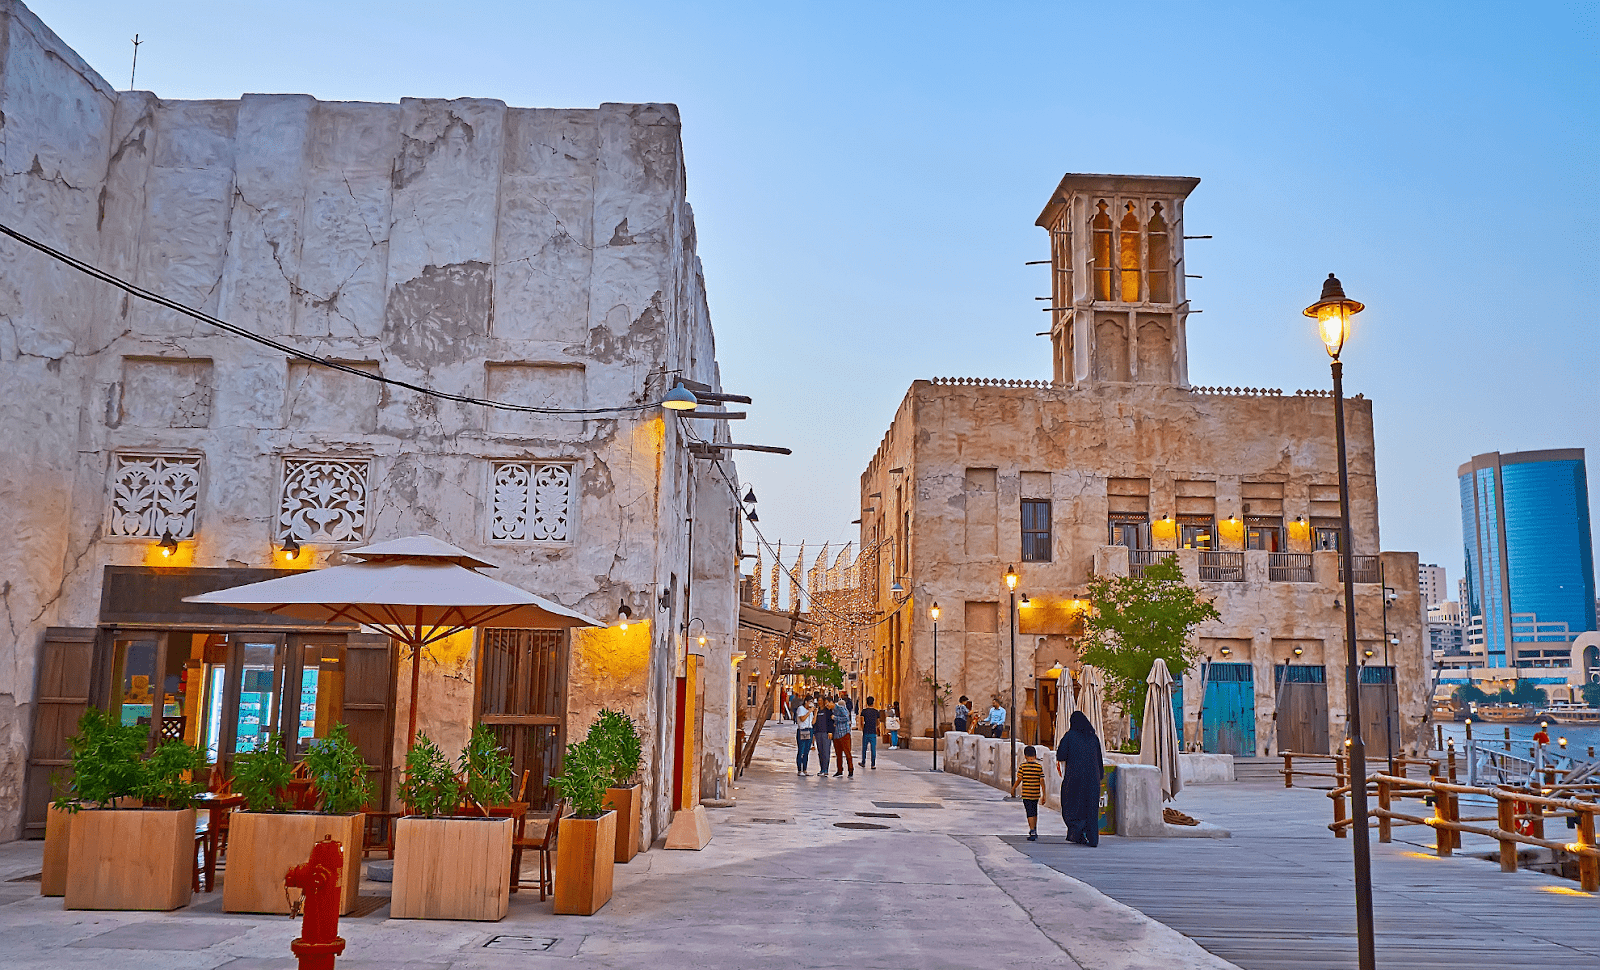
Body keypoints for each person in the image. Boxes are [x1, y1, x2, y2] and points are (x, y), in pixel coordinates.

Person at [1056, 711, 1104, 846]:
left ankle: (1077, 832)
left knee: (1072, 804)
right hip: (1093, 779)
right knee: (1091, 808)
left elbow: (1061, 755)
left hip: (1075, 778)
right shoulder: (1094, 738)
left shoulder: (1070, 736)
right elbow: (1099, 759)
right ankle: (1092, 838)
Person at [1012, 745, 1045, 841]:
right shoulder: (1039, 767)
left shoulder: (1023, 766)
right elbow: (1042, 781)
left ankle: (1032, 830)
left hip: (1026, 794)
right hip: (1035, 793)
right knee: (1034, 812)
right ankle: (1035, 829)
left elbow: (1019, 779)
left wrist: (1013, 788)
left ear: (1025, 756)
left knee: (1029, 812)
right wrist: (1044, 794)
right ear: (1035, 756)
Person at [831, 696, 854, 776]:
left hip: (844, 733)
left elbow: (846, 718)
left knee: (847, 752)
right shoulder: (832, 710)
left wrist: (835, 718)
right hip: (836, 734)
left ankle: (850, 770)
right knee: (838, 754)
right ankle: (839, 770)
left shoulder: (841, 709)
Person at [859, 697, 881, 768]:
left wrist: (863, 729)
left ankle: (863, 762)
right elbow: (878, 722)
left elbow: (862, 722)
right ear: (873, 702)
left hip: (866, 731)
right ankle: (873, 764)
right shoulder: (876, 712)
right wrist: (876, 726)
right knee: (873, 748)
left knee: (864, 748)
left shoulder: (864, 711)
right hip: (873, 732)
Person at [794, 697, 814, 775]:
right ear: (806, 702)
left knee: (807, 750)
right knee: (801, 750)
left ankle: (805, 769)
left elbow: (813, 722)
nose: (811, 703)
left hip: (809, 729)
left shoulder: (811, 711)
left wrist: (814, 713)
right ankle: (799, 770)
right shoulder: (801, 709)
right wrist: (809, 712)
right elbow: (802, 719)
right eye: (810, 702)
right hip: (802, 729)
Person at [814, 698, 833, 775]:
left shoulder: (827, 711)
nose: (819, 702)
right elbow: (814, 722)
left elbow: (830, 721)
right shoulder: (816, 710)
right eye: (818, 700)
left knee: (826, 751)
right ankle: (822, 769)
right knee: (820, 751)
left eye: (821, 701)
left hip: (826, 733)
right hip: (818, 733)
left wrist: (830, 731)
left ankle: (826, 769)